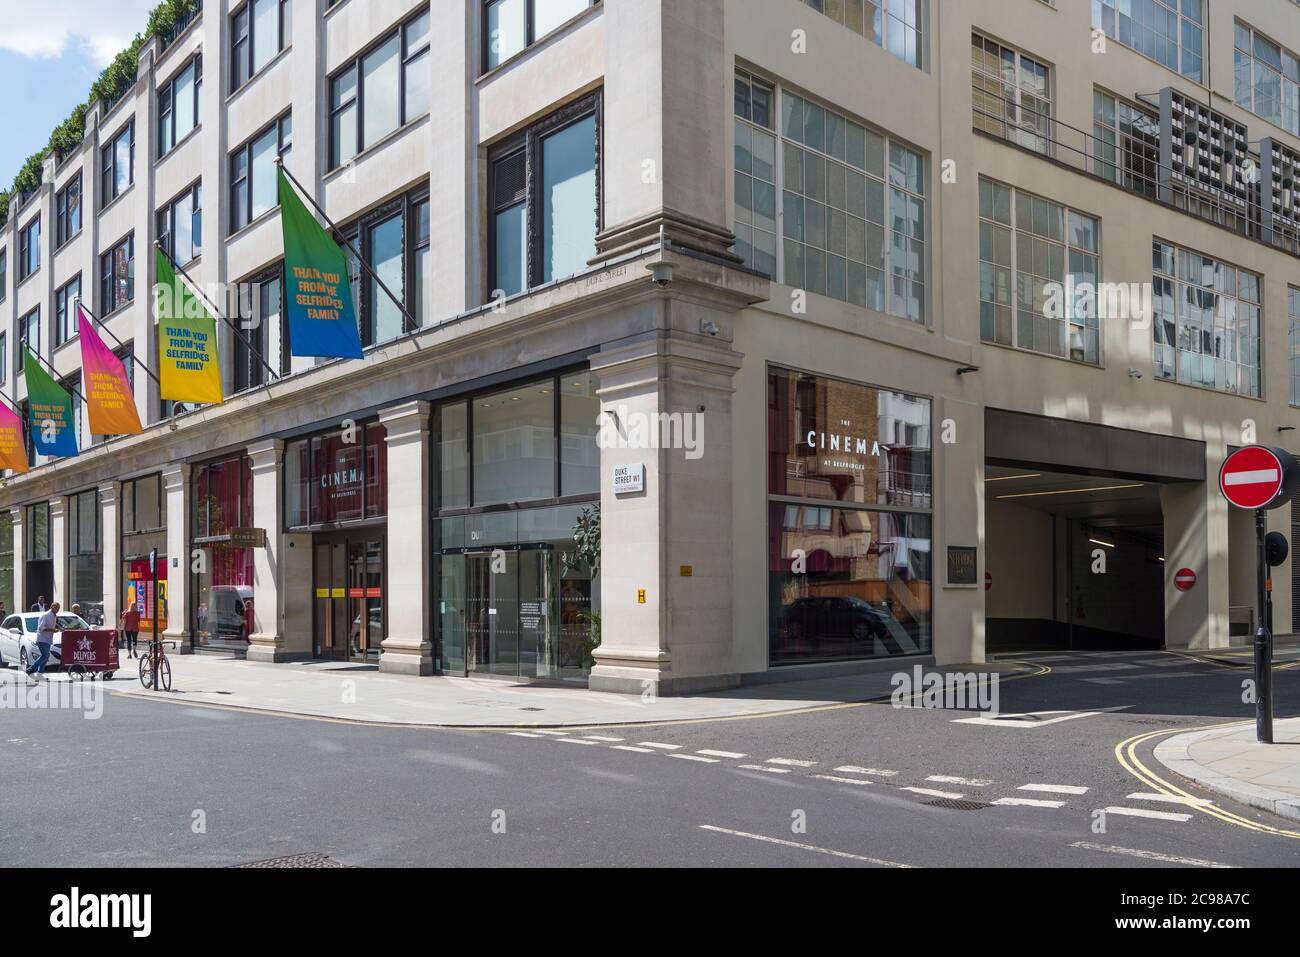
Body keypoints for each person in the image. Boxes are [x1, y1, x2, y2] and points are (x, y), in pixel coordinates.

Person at [26, 601, 59, 681]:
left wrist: (58, 629)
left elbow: (52, 625)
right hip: (42, 639)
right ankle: (31, 669)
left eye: (58, 607)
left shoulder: (54, 616)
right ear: (51, 607)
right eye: (55, 607)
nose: (57, 609)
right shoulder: (46, 615)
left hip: (48, 640)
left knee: (46, 656)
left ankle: (40, 673)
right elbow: (41, 628)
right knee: (45, 656)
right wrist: (52, 630)